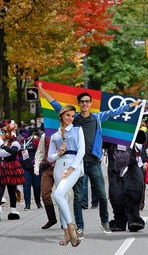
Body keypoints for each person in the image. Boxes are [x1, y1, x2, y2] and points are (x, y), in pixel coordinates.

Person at [38, 82, 142, 238]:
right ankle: (80, 227)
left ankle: (104, 222)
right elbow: (56, 105)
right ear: (79, 104)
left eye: (87, 101)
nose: (85, 104)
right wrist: (41, 90)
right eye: (82, 102)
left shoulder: (97, 117)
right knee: (78, 198)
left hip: (93, 162)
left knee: (101, 194)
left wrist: (132, 104)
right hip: (77, 164)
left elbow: (115, 112)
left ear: (91, 104)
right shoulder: (73, 119)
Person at [48, 105, 85, 247]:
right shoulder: (55, 135)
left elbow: (81, 151)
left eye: (72, 115)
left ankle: (71, 229)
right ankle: (66, 234)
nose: (70, 118)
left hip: (73, 166)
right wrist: (58, 154)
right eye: (68, 115)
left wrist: (70, 169)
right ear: (62, 116)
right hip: (59, 166)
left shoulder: (77, 130)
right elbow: (50, 158)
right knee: (61, 198)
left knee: (58, 195)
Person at [0, 120, 25, 221]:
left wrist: (3, 146)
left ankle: (13, 210)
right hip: (1, 166)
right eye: (2, 132)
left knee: (11, 190)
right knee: (0, 189)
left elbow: (13, 151)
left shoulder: (14, 143)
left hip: (11, 167)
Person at [34, 133, 57, 229]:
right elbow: (40, 152)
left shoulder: (67, 133)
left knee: (62, 196)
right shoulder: (45, 136)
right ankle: (52, 219)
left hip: (61, 168)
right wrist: (36, 166)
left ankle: (65, 220)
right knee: (45, 194)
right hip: (47, 168)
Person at [19, 128, 42, 210]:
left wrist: (36, 160)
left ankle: (38, 203)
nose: (24, 135)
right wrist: (18, 158)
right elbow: (17, 151)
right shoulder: (21, 141)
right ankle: (27, 204)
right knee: (26, 185)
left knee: (37, 186)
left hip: (35, 167)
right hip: (25, 167)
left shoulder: (36, 141)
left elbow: (40, 151)